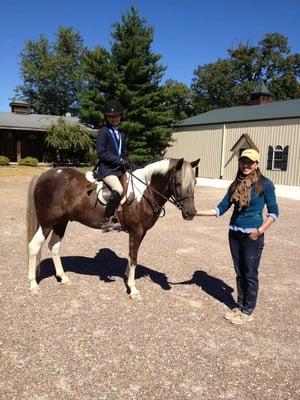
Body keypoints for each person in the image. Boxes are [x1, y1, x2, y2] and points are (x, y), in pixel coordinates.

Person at [196, 149, 279, 325]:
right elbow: (220, 208)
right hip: (234, 233)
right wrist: (195, 213)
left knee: (250, 273)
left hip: (252, 235)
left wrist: (259, 231)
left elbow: (273, 212)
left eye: (250, 162)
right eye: (243, 161)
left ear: (257, 164)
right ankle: (240, 305)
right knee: (239, 271)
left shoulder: (265, 184)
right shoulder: (235, 185)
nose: (246, 165)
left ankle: (248, 311)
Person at [95, 99, 133, 232]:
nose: (114, 119)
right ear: (107, 118)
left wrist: (128, 162)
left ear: (120, 117)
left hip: (119, 169)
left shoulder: (122, 134)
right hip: (107, 169)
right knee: (119, 189)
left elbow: (124, 153)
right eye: (111, 117)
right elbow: (101, 152)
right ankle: (107, 220)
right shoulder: (103, 132)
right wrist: (119, 161)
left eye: (116, 116)